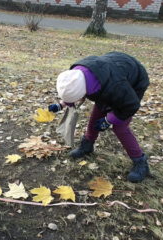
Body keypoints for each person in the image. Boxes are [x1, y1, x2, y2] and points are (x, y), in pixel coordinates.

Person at [48, 52, 150, 183]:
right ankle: (87, 146)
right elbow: (74, 90)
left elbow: (131, 105)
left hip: (133, 83)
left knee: (120, 127)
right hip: (109, 75)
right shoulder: (75, 74)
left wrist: (109, 120)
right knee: (96, 116)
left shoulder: (115, 86)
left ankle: (140, 162)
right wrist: (61, 105)